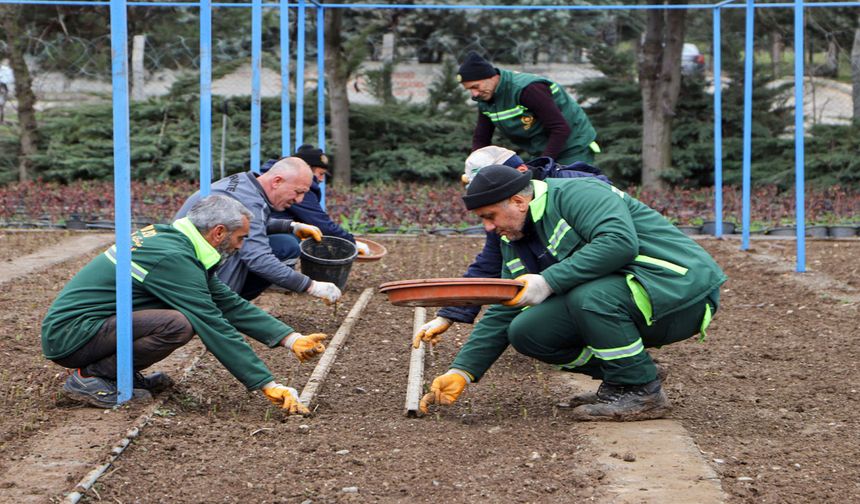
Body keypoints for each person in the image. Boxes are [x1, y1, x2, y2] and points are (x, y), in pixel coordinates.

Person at [418, 165, 726, 421]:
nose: (487, 227)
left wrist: (547, 281)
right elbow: (505, 304)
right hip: (631, 297)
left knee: (589, 297)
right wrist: (463, 371)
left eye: (490, 216)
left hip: (681, 293)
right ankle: (631, 375)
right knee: (526, 330)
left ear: (518, 201)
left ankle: (643, 393)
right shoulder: (514, 237)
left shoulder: (579, 194)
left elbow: (618, 243)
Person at [42, 195, 328, 413]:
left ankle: (118, 373)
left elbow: (227, 302)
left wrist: (292, 340)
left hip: (90, 328)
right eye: (240, 238)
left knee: (177, 320)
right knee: (178, 324)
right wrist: (267, 384)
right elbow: (212, 321)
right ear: (218, 232)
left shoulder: (174, 241)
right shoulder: (172, 258)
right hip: (71, 336)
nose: (241, 246)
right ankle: (93, 375)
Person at [413, 145, 611, 348]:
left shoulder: (575, 186)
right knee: (525, 326)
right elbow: (489, 264)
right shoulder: (506, 214)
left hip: (607, 282)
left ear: (521, 172)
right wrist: (447, 316)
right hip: (562, 283)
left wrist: (547, 282)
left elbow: (611, 245)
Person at [174, 157, 342, 303]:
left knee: (284, 242)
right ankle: (224, 305)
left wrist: (291, 226)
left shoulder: (245, 183)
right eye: (298, 192)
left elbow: (253, 223)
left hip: (188, 263)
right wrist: (311, 286)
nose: (300, 200)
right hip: (188, 275)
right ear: (277, 181)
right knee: (273, 251)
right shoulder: (249, 201)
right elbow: (258, 258)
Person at [457, 51, 599, 165]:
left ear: (491, 77)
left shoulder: (527, 89)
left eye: (476, 86)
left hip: (573, 147)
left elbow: (560, 128)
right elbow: (482, 137)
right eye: (469, 89)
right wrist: (475, 165)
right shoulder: (485, 98)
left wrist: (544, 164)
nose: (474, 93)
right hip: (541, 149)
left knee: (566, 193)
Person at [262, 144, 371, 259]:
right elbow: (321, 224)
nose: (321, 179)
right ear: (306, 168)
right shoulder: (296, 184)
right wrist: (351, 243)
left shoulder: (271, 177)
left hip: (262, 232)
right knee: (289, 243)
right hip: (261, 238)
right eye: (321, 174)